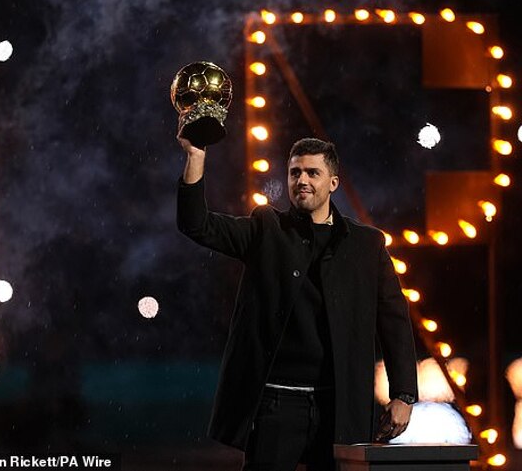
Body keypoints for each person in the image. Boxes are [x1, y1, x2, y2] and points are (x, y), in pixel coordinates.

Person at [176, 132, 418, 471]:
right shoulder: (266, 228)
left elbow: (393, 319)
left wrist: (404, 394)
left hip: (340, 404)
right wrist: (196, 157)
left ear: (333, 182)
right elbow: (196, 225)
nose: (301, 180)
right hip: (275, 403)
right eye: (294, 173)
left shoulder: (367, 245)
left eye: (312, 173)